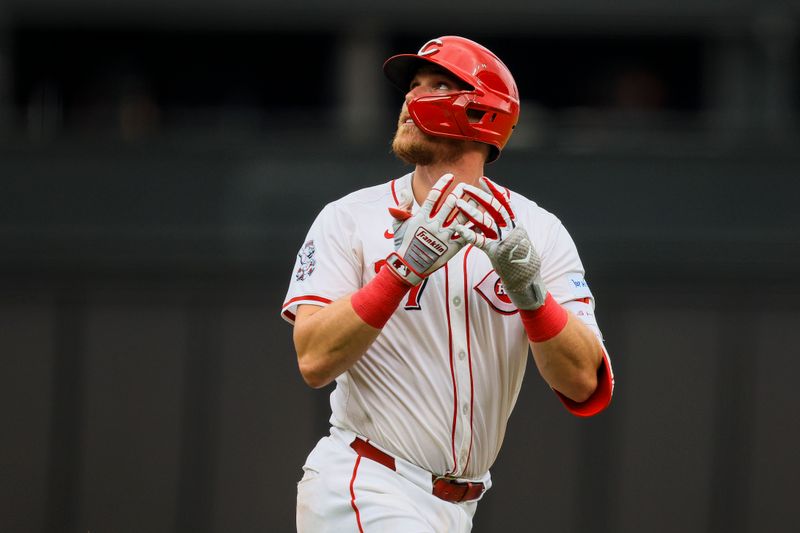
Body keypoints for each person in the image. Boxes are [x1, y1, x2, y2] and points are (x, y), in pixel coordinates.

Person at [281, 35, 614, 533]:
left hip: (459, 507)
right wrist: (401, 270)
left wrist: (529, 292)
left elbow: (583, 381)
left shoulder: (536, 231)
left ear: (485, 114)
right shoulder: (350, 218)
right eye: (411, 87)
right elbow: (312, 358)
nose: (412, 99)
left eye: (437, 85)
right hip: (368, 481)